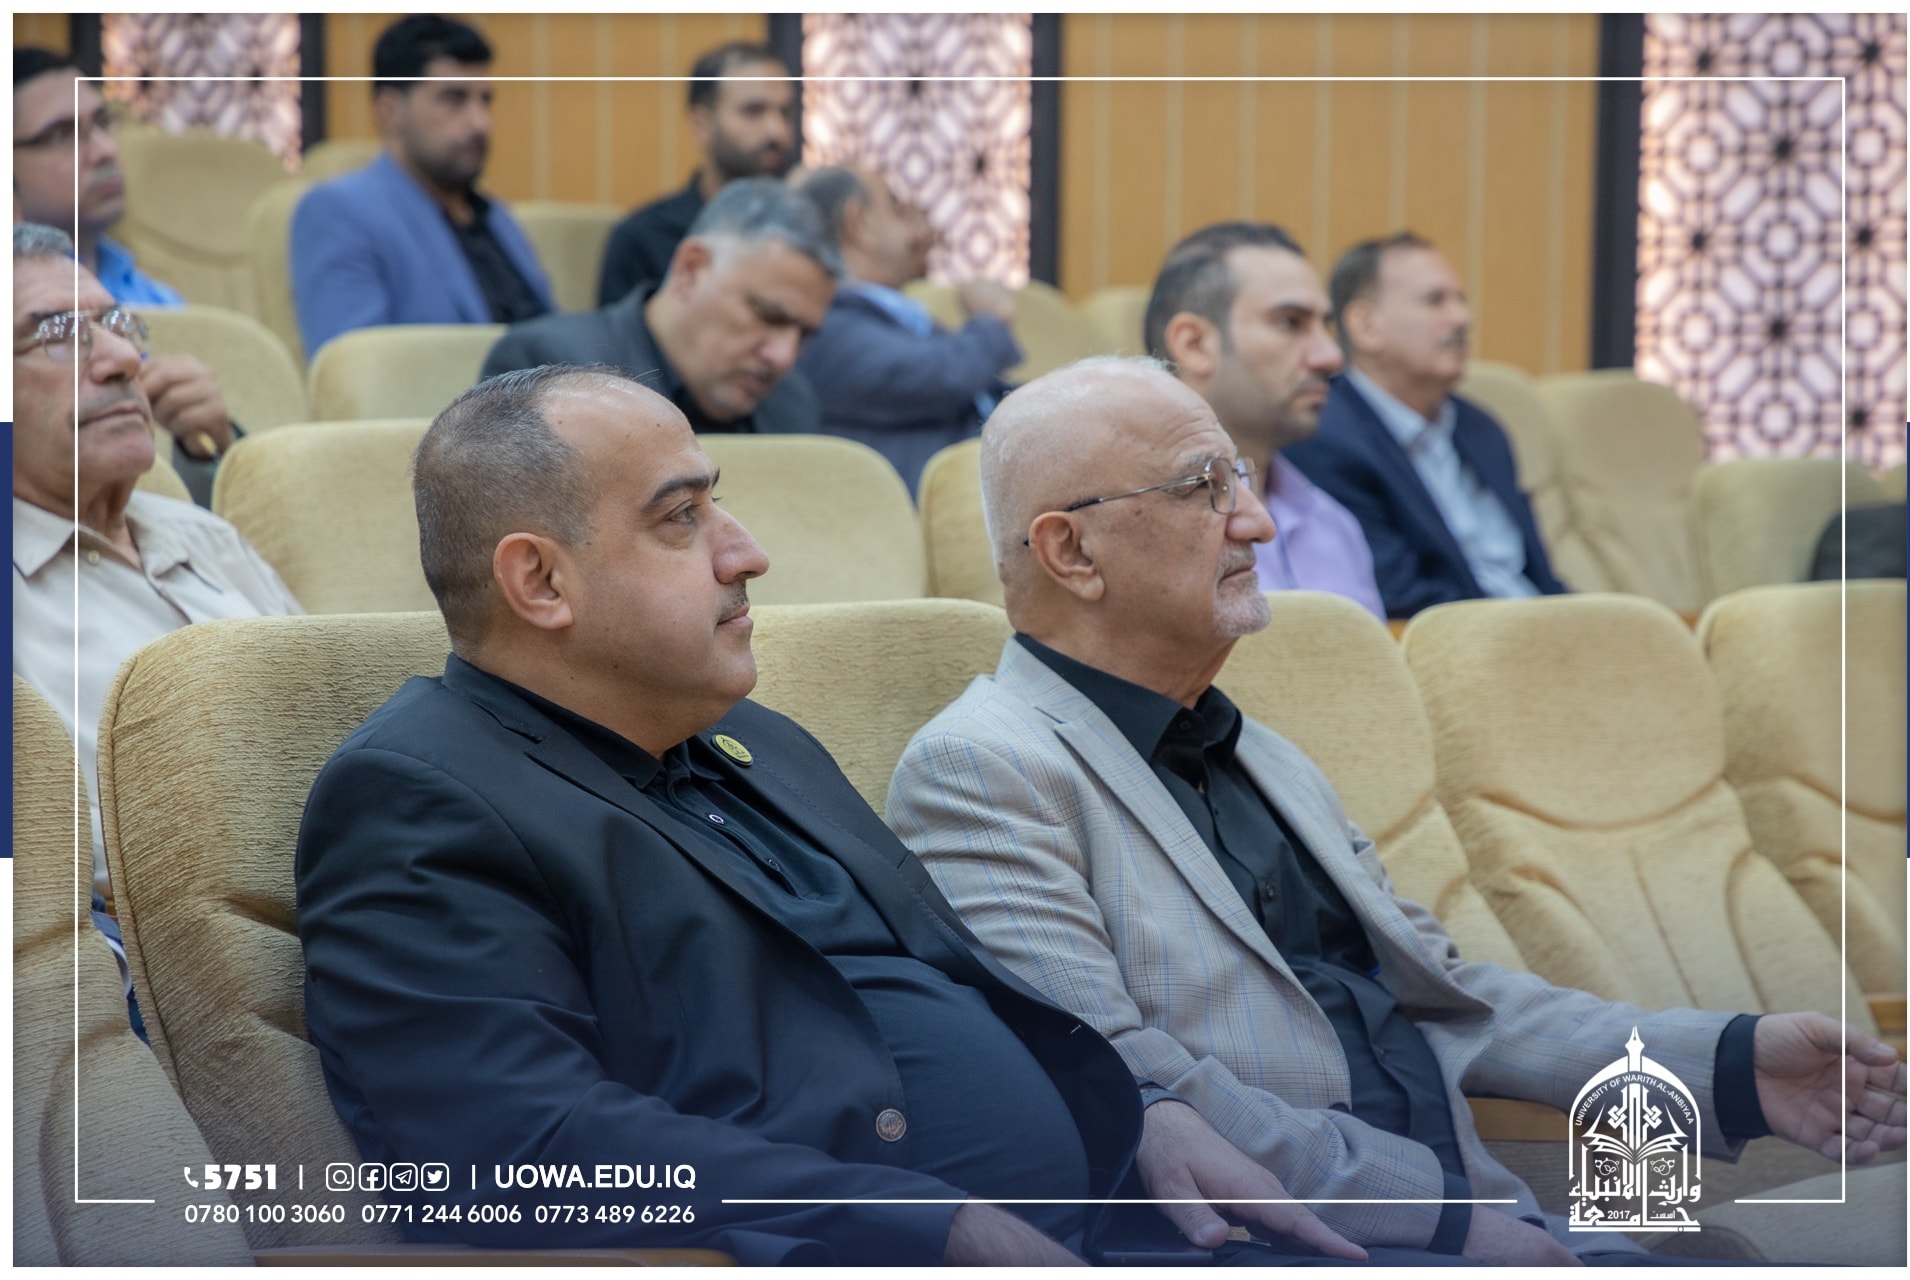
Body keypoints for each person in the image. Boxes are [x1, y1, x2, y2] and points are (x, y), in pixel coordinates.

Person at [294, 361, 1366, 1267]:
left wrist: (1147, 1114)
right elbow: (511, 1147)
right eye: (682, 517)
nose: (745, 551)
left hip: (1128, 1219)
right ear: (539, 581)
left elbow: (971, 986)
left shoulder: (760, 742)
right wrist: (929, 1220)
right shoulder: (419, 795)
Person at [887, 356, 1908, 1263]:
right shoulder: (983, 767)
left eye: (1242, 478)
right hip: (1294, 1241)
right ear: (1071, 552)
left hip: (1487, 1214)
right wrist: (1452, 1224)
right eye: (1203, 488)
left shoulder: (1268, 753)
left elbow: (1450, 998)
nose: (1257, 522)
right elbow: (1125, 1081)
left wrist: (1728, 1066)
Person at [11, 222, 302, 1021]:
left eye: (116, 324)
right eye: (56, 334)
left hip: (360, 896)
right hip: (167, 971)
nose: (121, 359)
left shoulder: (205, 536)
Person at [1286, 233, 1563, 618]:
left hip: (1541, 630)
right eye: (1435, 301)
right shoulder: (1325, 434)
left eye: (1460, 300)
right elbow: (1397, 594)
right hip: (1456, 640)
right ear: (1365, 326)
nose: (1462, 318)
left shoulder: (1481, 428)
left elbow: (1541, 579)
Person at [15, 48, 235, 481]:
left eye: (102, 124)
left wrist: (213, 448)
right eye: (62, 135)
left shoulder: (161, 299)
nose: (103, 151)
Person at [1146, 221, 1383, 619]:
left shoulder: (1337, 525)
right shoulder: (1136, 523)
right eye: (1290, 322)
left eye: (1324, 326)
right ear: (1195, 344)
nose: (1331, 357)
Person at [291, 15, 551, 357]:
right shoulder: (337, 213)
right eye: (454, 99)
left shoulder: (497, 216)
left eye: (485, 100)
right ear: (390, 111)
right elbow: (357, 371)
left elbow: (554, 336)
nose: (480, 123)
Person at [483, 178, 826, 435]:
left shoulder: (792, 405)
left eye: (804, 335)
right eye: (769, 316)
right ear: (691, 269)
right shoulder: (549, 369)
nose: (783, 356)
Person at [793, 165, 1021, 489]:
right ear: (858, 224)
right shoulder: (826, 324)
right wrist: (992, 316)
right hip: (935, 500)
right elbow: (946, 376)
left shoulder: (888, 310)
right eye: (896, 209)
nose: (916, 231)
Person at [597, 41, 796, 308]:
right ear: (702, 125)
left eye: (785, 113)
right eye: (753, 112)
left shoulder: (807, 233)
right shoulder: (644, 238)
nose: (777, 131)